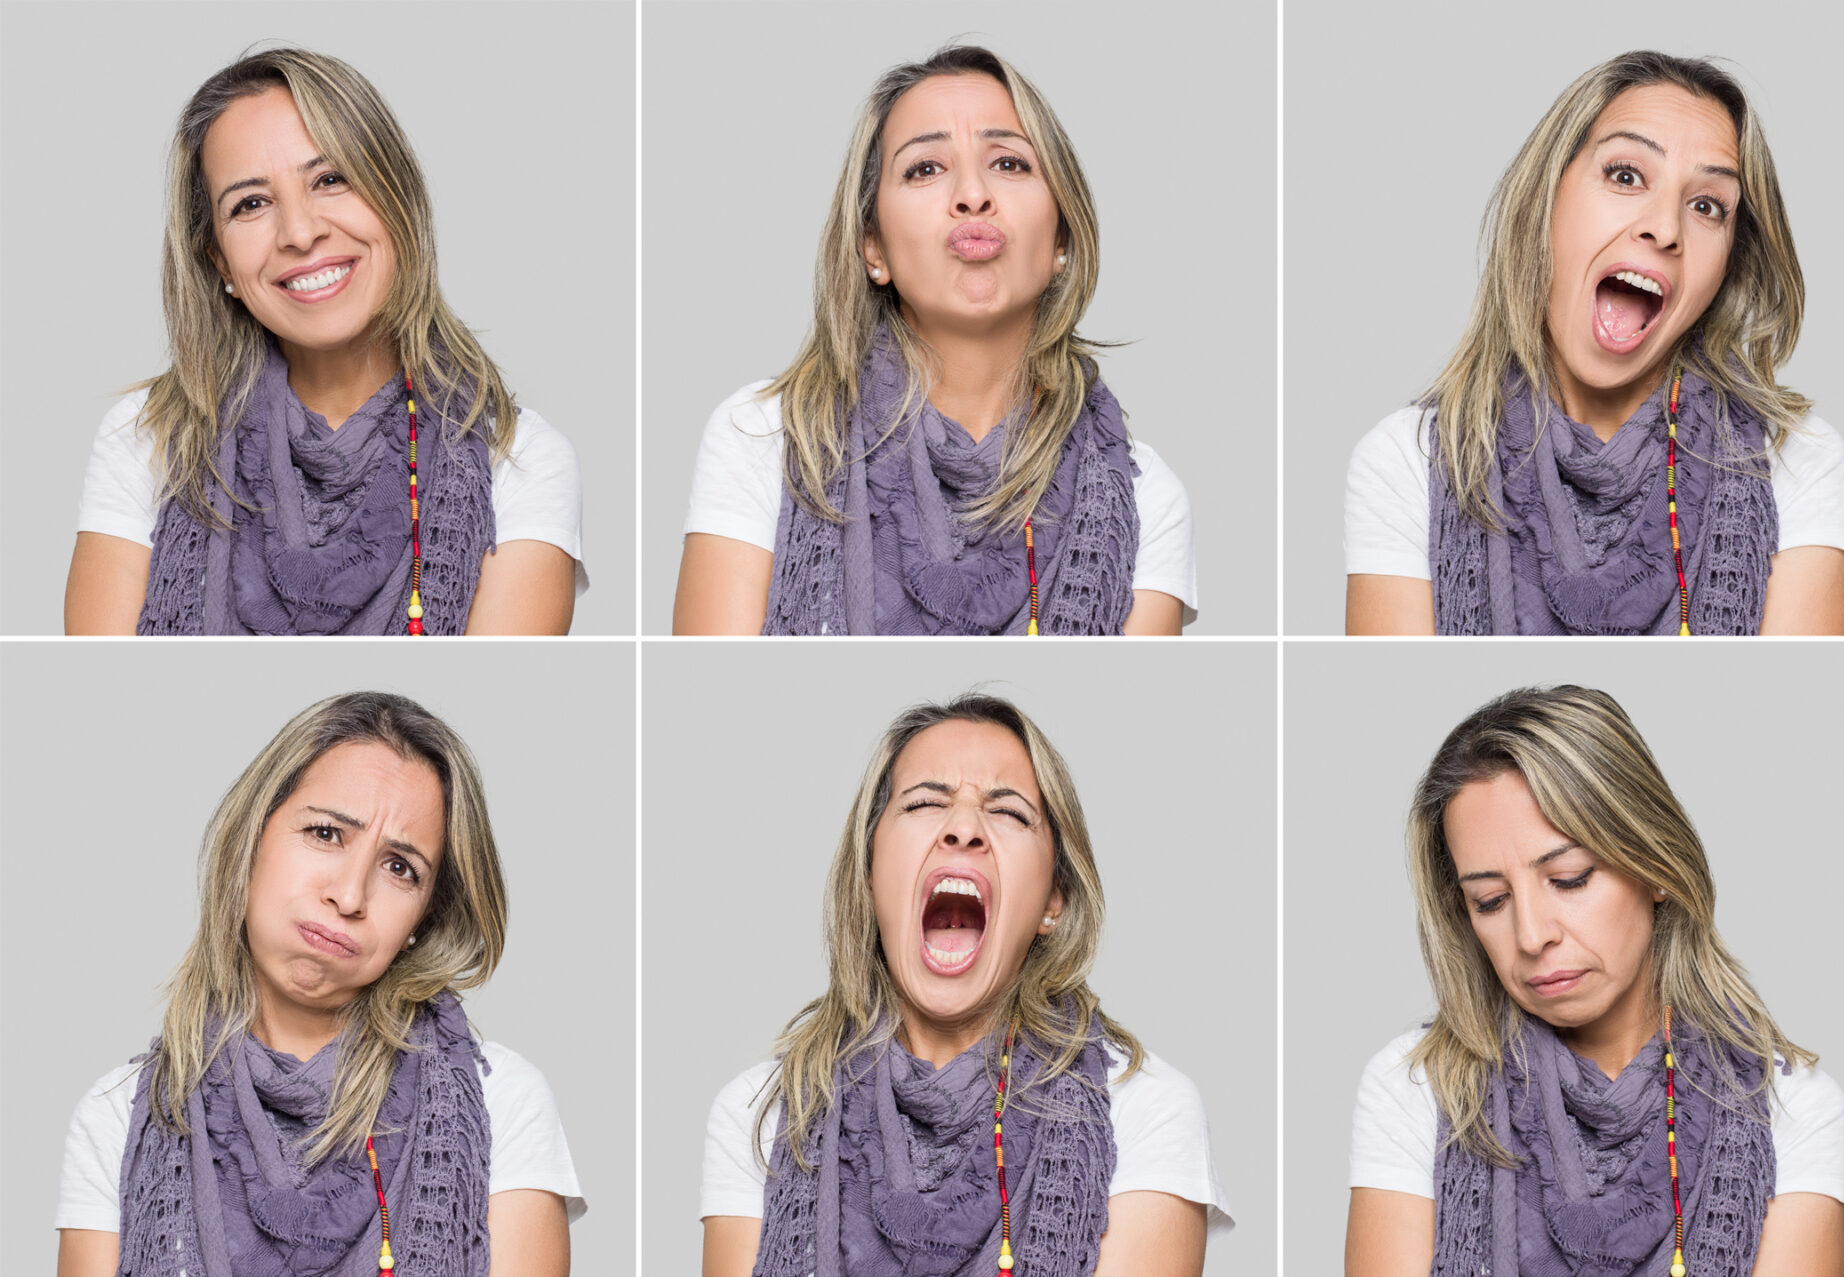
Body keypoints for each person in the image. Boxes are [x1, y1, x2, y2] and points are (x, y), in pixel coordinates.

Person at [697, 694, 1228, 1276]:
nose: (964, 827)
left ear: (1055, 900)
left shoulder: (1145, 1109)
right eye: (926, 802)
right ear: (871, 874)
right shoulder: (764, 1115)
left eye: (1009, 813)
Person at [53, 692, 581, 1277]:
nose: (350, 896)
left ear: (424, 919)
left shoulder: (503, 1103)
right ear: (251, 838)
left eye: (400, 867)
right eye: (326, 833)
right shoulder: (118, 1116)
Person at [674, 46, 1196, 635]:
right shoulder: (764, 439)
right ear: (874, 248)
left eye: (1010, 163)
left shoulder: (1144, 497)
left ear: (1061, 239)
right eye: (925, 168)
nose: (972, 194)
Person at [1341, 51, 1844, 636]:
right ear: (1546, 198)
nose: (1665, 228)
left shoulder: (1797, 462)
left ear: (1728, 265)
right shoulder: (1407, 462)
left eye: (1706, 206)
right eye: (1625, 175)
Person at [65, 48, 583, 636]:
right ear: (220, 261)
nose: (302, 232)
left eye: (330, 179)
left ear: (397, 199)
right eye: (251, 203)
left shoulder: (517, 459)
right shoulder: (147, 442)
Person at [1346, 686, 1844, 1276]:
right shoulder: (1416, 1089)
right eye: (1490, 900)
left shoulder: (1792, 1107)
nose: (1532, 935)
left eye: (1568, 878)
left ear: (1656, 865)